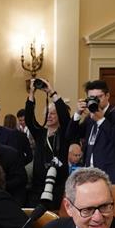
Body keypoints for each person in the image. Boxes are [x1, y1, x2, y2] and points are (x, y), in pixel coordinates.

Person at [66, 79, 115, 184]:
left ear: (107, 96)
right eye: (92, 98)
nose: (96, 101)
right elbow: (70, 135)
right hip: (90, 175)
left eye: (99, 97)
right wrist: (78, 113)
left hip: (111, 176)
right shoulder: (90, 117)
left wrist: (101, 120)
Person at [25, 78, 72, 208]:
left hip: (58, 186)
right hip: (38, 186)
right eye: (47, 113)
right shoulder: (40, 133)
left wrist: (52, 92)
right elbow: (29, 119)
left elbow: (65, 118)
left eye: (53, 113)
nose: (50, 116)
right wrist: (31, 94)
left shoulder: (64, 134)